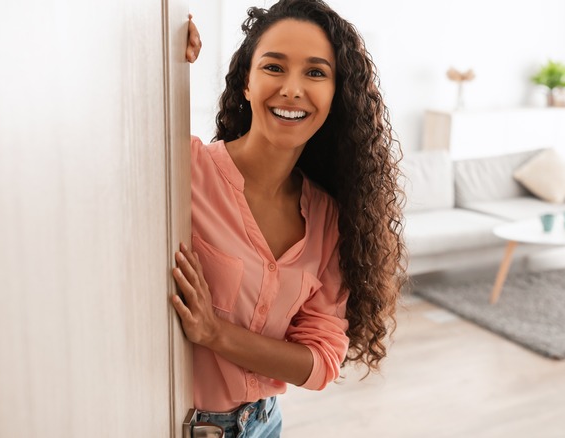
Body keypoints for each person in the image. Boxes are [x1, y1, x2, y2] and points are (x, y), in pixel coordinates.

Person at [171, 1, 406, 436]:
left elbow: (320, 363)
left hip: (264, 423)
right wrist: (160, 58)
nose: (293, 89)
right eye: (274, 67)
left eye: (315, 73)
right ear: (246, 81)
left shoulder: (329, 218)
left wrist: (215, 332)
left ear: (336, 96)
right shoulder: (184, 169)